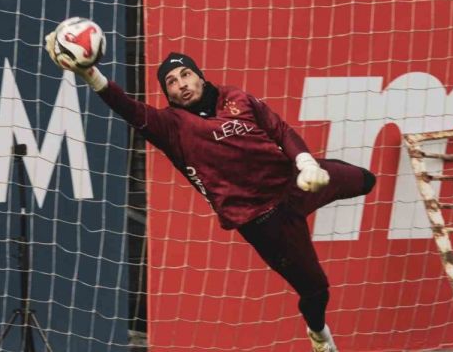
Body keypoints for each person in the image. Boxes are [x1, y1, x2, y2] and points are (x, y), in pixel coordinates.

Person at [45, 32, 376, 352]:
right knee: (316, 290)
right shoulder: (171, 127)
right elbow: (127, 107)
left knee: (366, 180)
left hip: (296, 182)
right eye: (171, 82)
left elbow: (280, 130)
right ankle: (319, 334)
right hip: (265, 220)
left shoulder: (237, 98)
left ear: (200, 77)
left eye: (185, 74)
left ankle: (321, 172)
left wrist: (306, 163)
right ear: (168, 93)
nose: (181, 84)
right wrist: (91, 74)